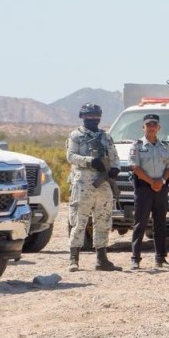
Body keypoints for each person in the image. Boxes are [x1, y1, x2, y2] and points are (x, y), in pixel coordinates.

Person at [66, 103, 122, 272]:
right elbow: (70, 156)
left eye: (96, 116)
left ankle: (102, 259)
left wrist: (115, 169)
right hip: (83, 182)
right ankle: (74, 259)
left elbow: (114, 156)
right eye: (89, 116)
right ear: (82, 116)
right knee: (79, 220)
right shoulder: (75, 136)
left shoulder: (105, 137)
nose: (93, 119)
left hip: (103, 183)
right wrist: (89, 161)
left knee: (103, 220)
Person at [128, 113, 169, 269]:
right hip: (144, 189)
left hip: (160, 188)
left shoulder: (164, 146)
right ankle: (135, 258)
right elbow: (135, 167)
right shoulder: (137, 146)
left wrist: (160, 181)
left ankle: (161, 258)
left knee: (160, 223)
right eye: (148, 125)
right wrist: (151, 182)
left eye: (154, 125)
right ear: (143, 127)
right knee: (140, 223)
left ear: (158, 128)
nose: (151, 127)